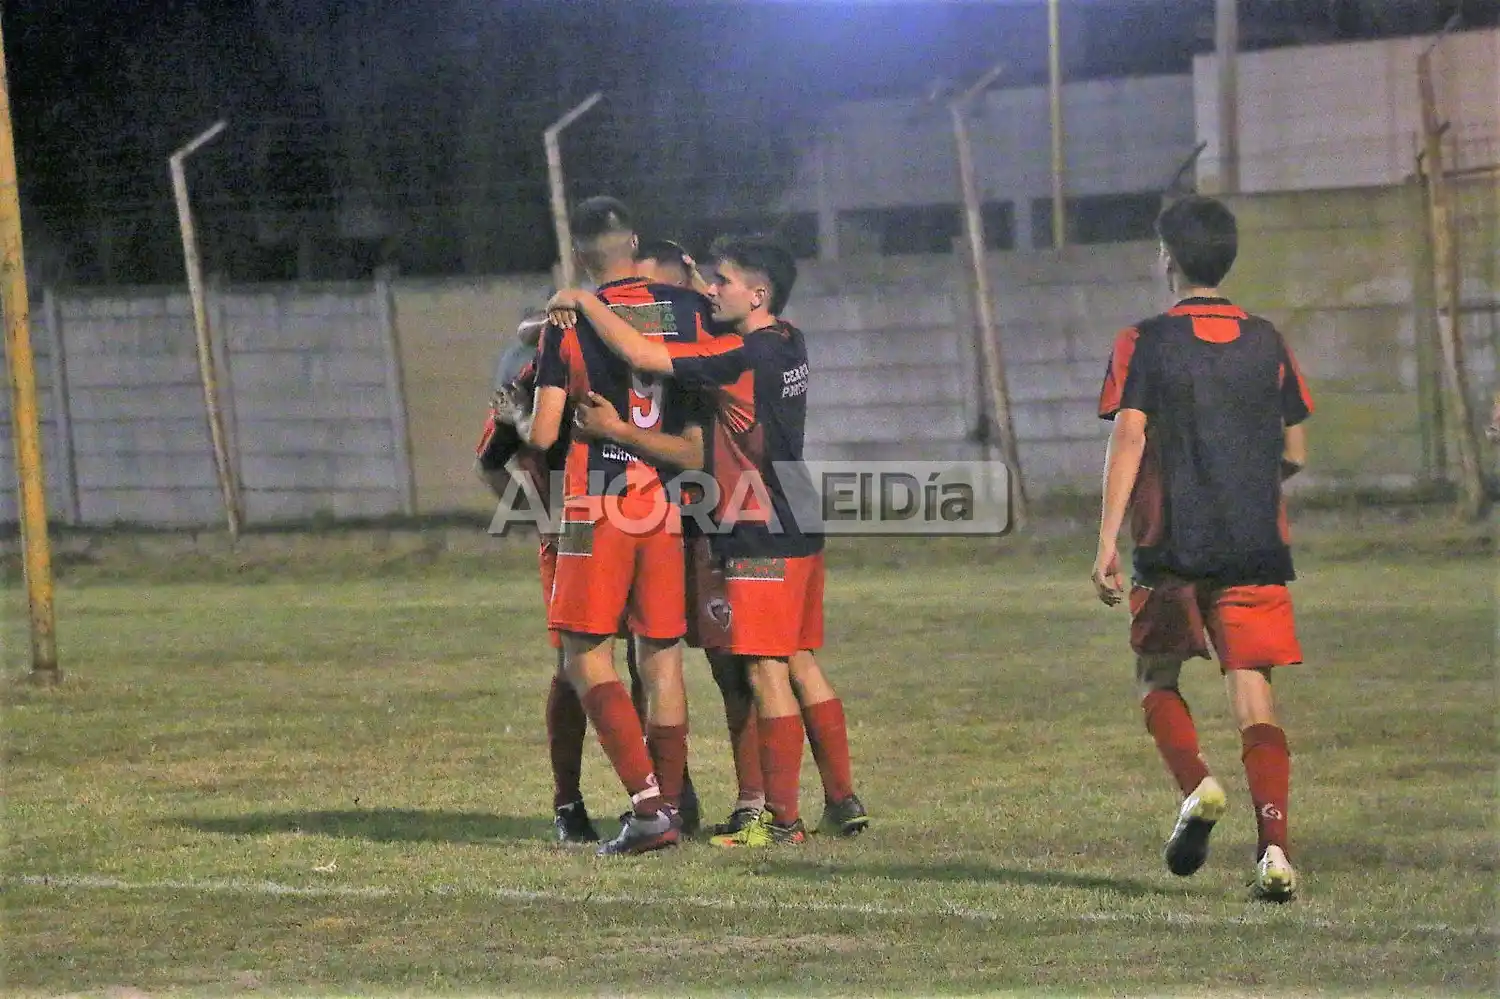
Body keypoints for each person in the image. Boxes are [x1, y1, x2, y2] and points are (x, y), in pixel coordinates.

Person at [549, 235, 867, 848]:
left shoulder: (739, 358)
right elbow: (715, 319)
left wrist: (585, 305)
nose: (713, 289)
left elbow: (647, 352)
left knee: (764, 668)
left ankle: (781, 821)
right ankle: (841, 799)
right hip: (799, 510)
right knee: (799, 658)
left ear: (759, 293)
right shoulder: (789, 339)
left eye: (725, 282)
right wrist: (700, 287)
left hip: (755, 521)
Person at [1092, 195, 1313, 902]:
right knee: (1253, 693)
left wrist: (1105, 540)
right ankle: (1275, 851)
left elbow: (1129, 435)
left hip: (1172, 543)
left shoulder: (1145, 340)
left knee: (1155, 678)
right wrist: (1244, 480)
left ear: (1169, 260)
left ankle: (1198, 787)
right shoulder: (1268, 339)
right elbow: (1296, 450)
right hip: (1253, 543)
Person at [513, 197, 714, 856]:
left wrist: (525, 412)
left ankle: (648, 806)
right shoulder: (682, 309)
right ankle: (674, 801)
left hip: (592, 500)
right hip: (657, 496)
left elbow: (543, 435)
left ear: (577, 252)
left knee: (582, 654)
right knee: (660, 658)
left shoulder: (565, 322)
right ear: (633, 240)